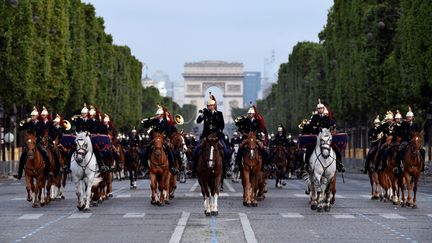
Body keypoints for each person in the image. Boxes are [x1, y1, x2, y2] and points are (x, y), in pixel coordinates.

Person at [304, 99, 345, 172]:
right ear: (317, 109)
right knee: (309, 149)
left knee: (336, 148)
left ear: (323, 109)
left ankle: (339, 164)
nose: (320, 110)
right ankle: (305, 164)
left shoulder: (327, 117)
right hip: (318, 137)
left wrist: (333, 128)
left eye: (321, 108)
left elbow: (332, 125)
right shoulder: (315, 117)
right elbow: (311, 127)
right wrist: (314, 129)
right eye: (319, 109)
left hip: (327, 137)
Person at [192, 93, 227, 174]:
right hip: (206, 137)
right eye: (208, 105)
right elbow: (198, 121)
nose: (209, 107)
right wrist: (201, 115)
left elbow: (222, 125)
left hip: (216, 137)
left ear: (214, 106)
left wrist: (217, 133)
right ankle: (193, 169)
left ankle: (225, 168)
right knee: (196, 151)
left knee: (225, 151)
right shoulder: (206, 113)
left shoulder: (219, 114)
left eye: (210, 105)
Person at [14, 107, 53, 179]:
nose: (32, 117)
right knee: (22, 157)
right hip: (29, 143)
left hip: (37, 142)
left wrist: (39, 138)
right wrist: (23, 123)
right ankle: (19, 174)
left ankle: (49, 171)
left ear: (37, 116)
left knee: (45, 155)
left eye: (33, 116)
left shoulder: (41, 123)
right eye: (31, 116)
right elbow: (20, 128)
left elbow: (43, 132)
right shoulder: (29, 123)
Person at [141, 105, 178, 175]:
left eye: (157, 114)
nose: (156, 115)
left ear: (161, 115)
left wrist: (164, 137)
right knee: (147, 148)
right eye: (156, 114)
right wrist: (147, 121)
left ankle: (172, 166)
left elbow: (168, 132)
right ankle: (145, 166)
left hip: (163, 139)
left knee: (169, 150)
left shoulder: (165, 122)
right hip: (154, 139)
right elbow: (146, 126)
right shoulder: (154, 121)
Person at [234, 103, 269, 171]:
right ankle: (237, 164)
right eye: (249, 114)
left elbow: (259, 129)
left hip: (255, 138)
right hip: (246, 138)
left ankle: (265, 164)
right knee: (240, 148)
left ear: (253, 114)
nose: (250, 115)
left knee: (262, 149)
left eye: (251, 114)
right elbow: (240, 128)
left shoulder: (257, 121)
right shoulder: (245, 120)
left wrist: (259, 134)